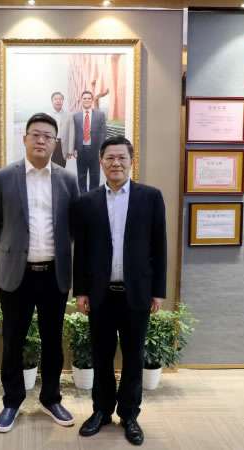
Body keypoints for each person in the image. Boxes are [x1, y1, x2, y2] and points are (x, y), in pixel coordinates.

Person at [0, 112, 80, 433]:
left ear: (55, 143)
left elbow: (75, 225)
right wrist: (12, 249)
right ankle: (11, 401)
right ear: (25, 139)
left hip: (54, 274)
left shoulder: (67, 180)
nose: (41, 140)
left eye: (47, 136)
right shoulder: (4, 177)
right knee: (13, 339)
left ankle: (51, 398)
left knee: (53, 340)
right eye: (35, 135)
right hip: (17, 275)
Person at [72, 136, 167, 446]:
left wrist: (158, 291)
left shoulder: (150, 197)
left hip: (136, 292)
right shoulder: (87, 202)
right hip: (100, 294)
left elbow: (159, 247)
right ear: (101, 162)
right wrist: (81, 291)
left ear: (131, 161)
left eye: (121, 158)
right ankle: (101, 411)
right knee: (100, 355)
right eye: (110, 158)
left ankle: (129, 415)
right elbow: (81, 251)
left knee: (133, 357)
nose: (116, 163)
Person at [73, 90, 106, 193]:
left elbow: (103, 133)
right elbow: (74, 133)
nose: (87, 100)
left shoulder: (100, 115)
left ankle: (93, 197)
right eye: (84, 98)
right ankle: (83, 197)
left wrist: (101, 149)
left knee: (95, 176)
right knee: (81, 176)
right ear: (81, 100)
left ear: (92, 100)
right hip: (81, 150)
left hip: (95, 151)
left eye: (89, 98)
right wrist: (74, 148)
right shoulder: (76, 116)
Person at [48, 91, 74, 168]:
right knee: (51, 169)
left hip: (63, 146)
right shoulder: (47, 116)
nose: (58, 101)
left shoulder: (69, 115)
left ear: (63, 101)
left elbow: (71, 133)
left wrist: (70, 150)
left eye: (60, 99)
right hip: (51, 145)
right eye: (56, 99)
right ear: (52, 101)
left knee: (62, 168)